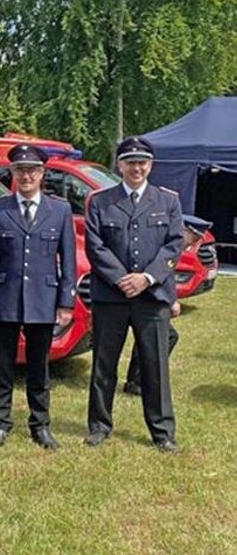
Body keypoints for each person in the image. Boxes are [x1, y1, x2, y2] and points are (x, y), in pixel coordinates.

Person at [84, 136, 183, 452]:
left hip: (151, 297)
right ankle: (99, 426)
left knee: (155, 368)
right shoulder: (100, 201)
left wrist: (147, 278)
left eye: (142, 162)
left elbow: (174, 244)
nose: (136, 168)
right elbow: (95, 246)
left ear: (150, 165)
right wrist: (122, 279)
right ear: (120, 165)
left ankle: (162, 432)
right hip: (111, 297)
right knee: (104, 365)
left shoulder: (168, 201)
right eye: (130, 162)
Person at [0, 144, 76, 450]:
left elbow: (68, 260)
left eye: (32, 170)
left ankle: (40, 424)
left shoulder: (59, 210)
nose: (26, 176)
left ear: (42, 174)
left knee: (38, 366)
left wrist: (66, 301)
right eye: (20, 170)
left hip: (43, 299)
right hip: (5, 297)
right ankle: (0, 422)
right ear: (12, 174)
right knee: (3, 365)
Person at [123, 215, 210, 395]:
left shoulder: (168, 242)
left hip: (146, 297)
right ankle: (137, 382)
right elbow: (161, 275)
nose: (191, 245)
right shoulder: (170, 244)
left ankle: (138, 380)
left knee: (154, 337)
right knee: (163, 336)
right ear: (184, 230)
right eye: (193, 239)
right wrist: (171, 302)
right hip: (144, 297)